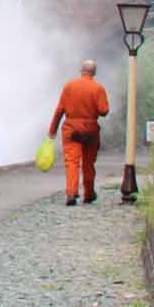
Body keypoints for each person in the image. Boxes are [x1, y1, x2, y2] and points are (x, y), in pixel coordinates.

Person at [48, 59, 110, 206]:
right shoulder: (98, 88)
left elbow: (59, 110)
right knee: (89, 163)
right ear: (94, 72)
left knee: (72, 162)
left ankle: (71, 193)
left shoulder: (69, 86)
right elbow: (104, 111)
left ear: (81, 70)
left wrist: (52, 131)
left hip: (71, 129)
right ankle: (88, 194)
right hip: (90, 130)